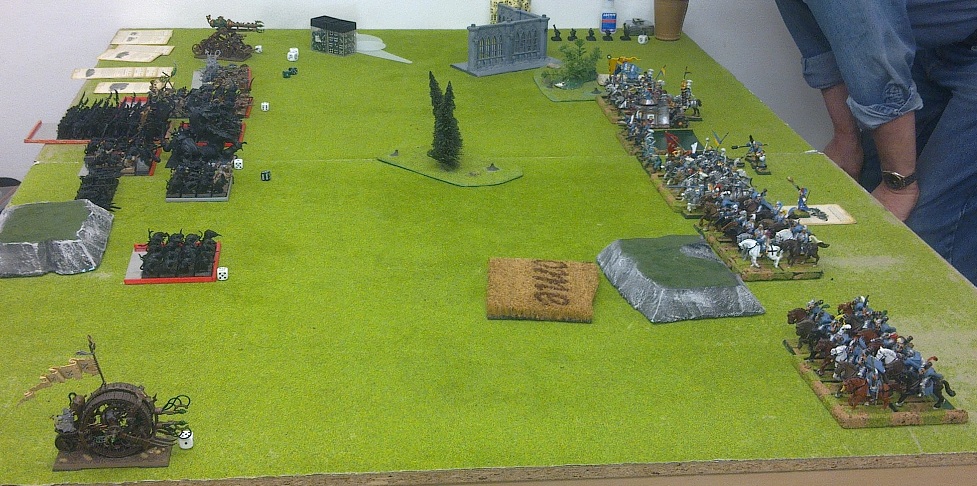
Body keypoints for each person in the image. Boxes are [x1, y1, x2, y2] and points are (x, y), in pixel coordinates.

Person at [774, 1, 977, 285]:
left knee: (927, 234)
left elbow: (877, 65)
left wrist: (899, 186)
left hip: (959, 43)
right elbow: (820, 40)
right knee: (866, 188)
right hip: (936, 45)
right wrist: (846, 136)